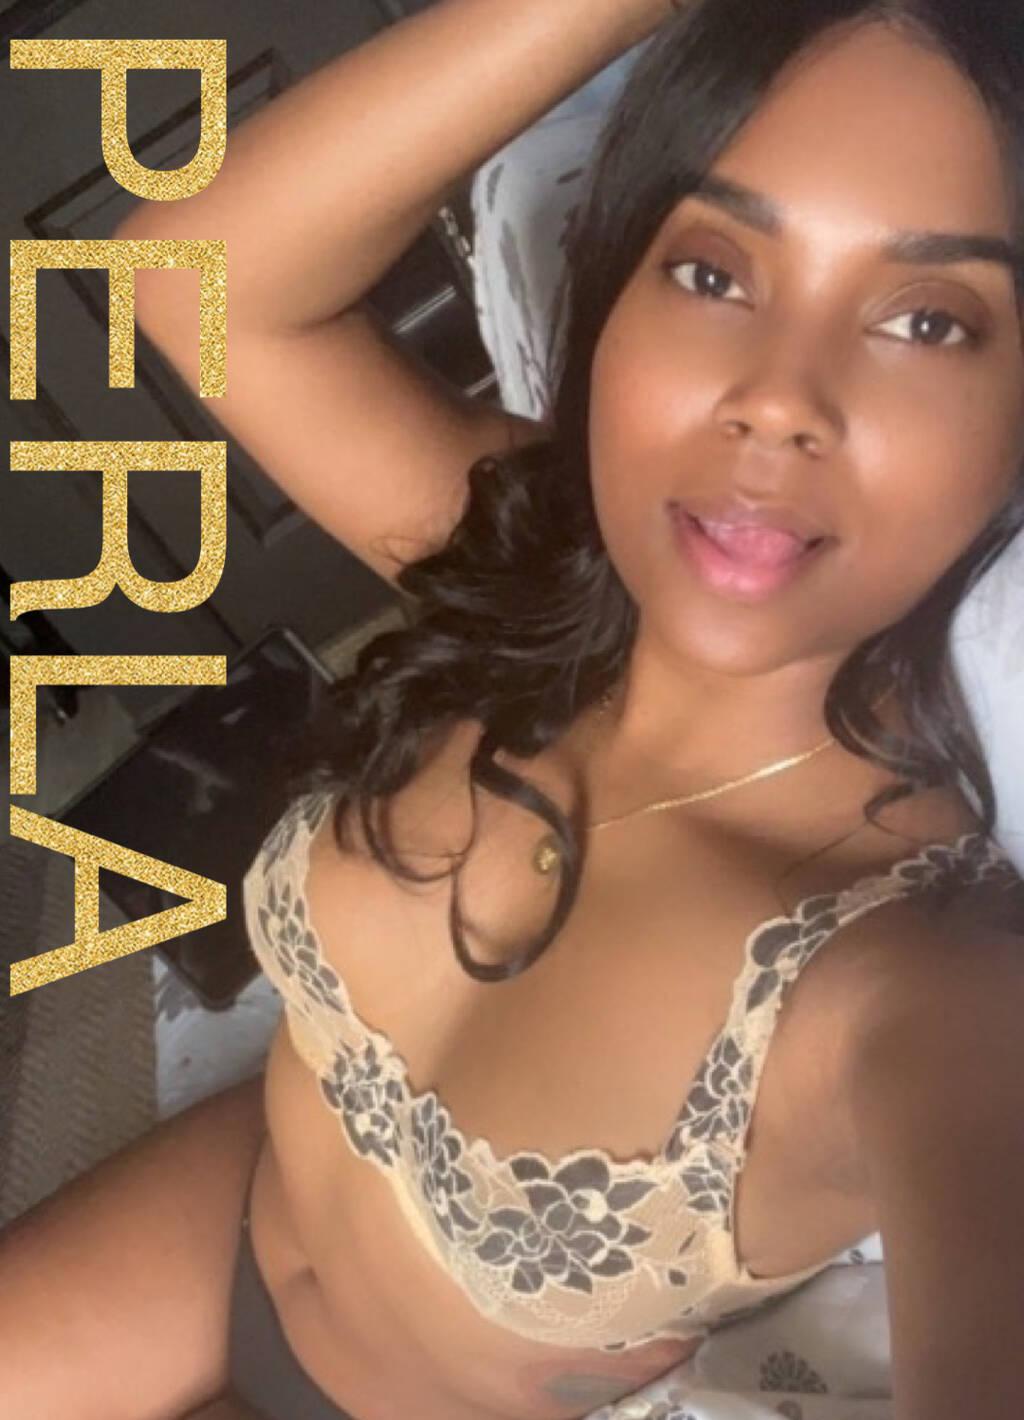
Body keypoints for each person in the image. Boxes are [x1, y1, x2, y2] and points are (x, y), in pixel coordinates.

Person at [4, 0, 1024, 1416]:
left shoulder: (932, 994)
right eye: (713, 271)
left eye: (928, 320)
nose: (777, 400)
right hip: (241, 1198)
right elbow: (195, 275)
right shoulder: (539, 567)